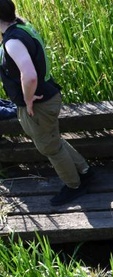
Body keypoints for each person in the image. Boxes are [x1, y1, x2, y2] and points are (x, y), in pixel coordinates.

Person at [0, 0, 93, 206]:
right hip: (48, 96)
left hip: (38, 105)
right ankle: (85, 171)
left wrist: (27, 99)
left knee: (50, 148)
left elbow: (30, 76)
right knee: (53, 141)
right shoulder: (23, 27)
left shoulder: (12, 42)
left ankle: (74, 186)